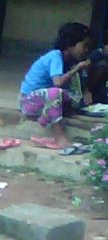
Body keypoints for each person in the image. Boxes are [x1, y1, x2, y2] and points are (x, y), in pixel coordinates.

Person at [19, 22, 93, 150]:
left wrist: (86, 91)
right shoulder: (55, 56)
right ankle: (60, 138)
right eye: (84, 46)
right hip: (28, 101)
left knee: (72, 97)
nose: (86, 50)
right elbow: (57, 82)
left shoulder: (69, 60)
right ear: (70, 44)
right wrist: (76, 69)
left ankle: (47, 116)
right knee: (55, 92)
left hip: (44, 100)